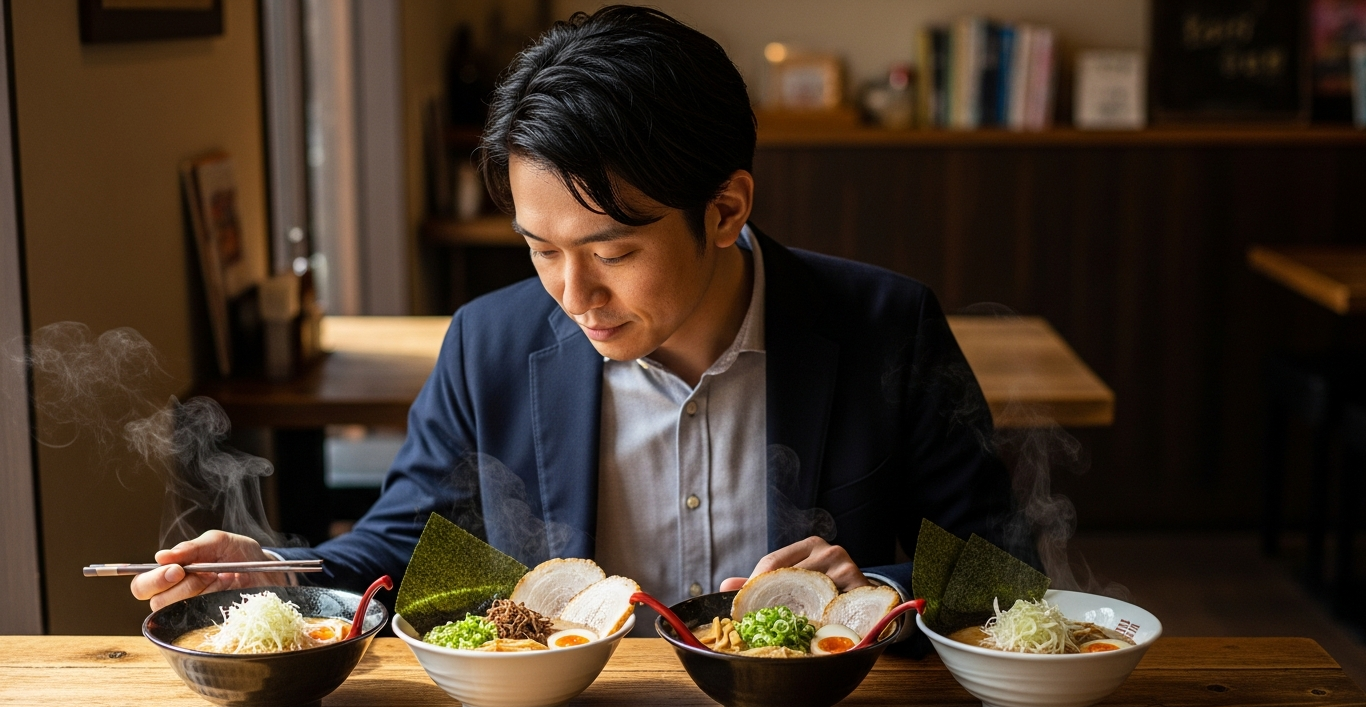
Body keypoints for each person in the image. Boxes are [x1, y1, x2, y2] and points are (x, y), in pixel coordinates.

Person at [133, 6, 1011, 620]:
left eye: (612, 253)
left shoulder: (885, 325)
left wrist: (876, 589)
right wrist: (278, 575)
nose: (573, 296)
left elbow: (1006, 567)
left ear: (725, 210)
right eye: (541, 249)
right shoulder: (488, 345)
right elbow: (399, 550)